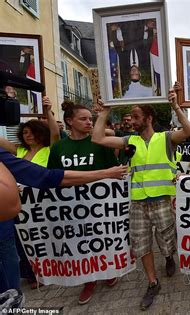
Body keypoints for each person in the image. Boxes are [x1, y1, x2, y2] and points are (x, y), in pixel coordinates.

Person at [92, 83, 190, 310]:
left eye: (136, 116)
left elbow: (189, 132)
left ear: (148, 118)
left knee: (167, 241)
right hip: (138, 203)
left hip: (162, 201)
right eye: (130, 116)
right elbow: (97, 138)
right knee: (141, 243)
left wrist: (176, 107)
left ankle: (168, 257)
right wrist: (104, 112)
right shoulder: (130, 141)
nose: (131, 120)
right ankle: (152, 282)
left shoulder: (166, 138)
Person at [0, 146, 127, 300]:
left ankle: (105, 274)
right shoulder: (59, 148)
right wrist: (106, 174)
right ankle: (89, 281)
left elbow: (44, 177)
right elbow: (46, 179)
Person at [48, 101, 120, 305]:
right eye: (84, 119)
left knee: (102, 238)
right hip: (70, 208)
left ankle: (106, 271)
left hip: (99, 205)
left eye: (91, 118)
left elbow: (113, 173)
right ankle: (88, 280)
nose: (89, 122)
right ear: (69, 121)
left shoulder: (100, 143)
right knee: (80, 244)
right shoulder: (59, 148)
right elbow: (53, 177)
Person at [0, 96, 59, 289]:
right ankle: (32, 273)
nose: (28, 135)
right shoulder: (20, 153)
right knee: (24, 241)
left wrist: (49, 111)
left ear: (41, 133)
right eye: (25, 132)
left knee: (44, 239)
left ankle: (50, 269)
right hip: (21, 206)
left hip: (42, 206)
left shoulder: (49, 150)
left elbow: (56, 133)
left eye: (32, 132)